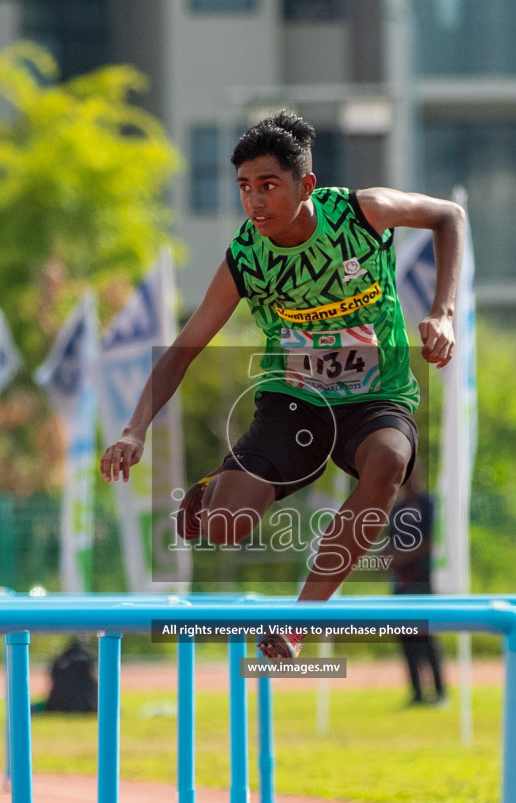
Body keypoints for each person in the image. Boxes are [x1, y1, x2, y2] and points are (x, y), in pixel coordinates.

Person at [99, 111, 464, 658]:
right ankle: (210, 492)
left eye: (268, 186)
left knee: (388, 460)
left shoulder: (363, 213)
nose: (255, 202)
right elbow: (185, 348)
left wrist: (445, 311)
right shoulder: (248, 257)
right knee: (224, 525)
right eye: (245, 188)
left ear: (306, 185)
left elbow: (449, 216)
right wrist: (134, 428)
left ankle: (301, 619)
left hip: (377, 397)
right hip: (296, 403)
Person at [388, 477, 445, 705]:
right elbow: (391, 543)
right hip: (401, 583)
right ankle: (417, 693)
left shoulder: (429, 505)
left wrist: (404, 556)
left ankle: (440, 692)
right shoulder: (397, 509)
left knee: (427, 637)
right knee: (406, 637)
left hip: (423, 581)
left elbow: (434, 542)